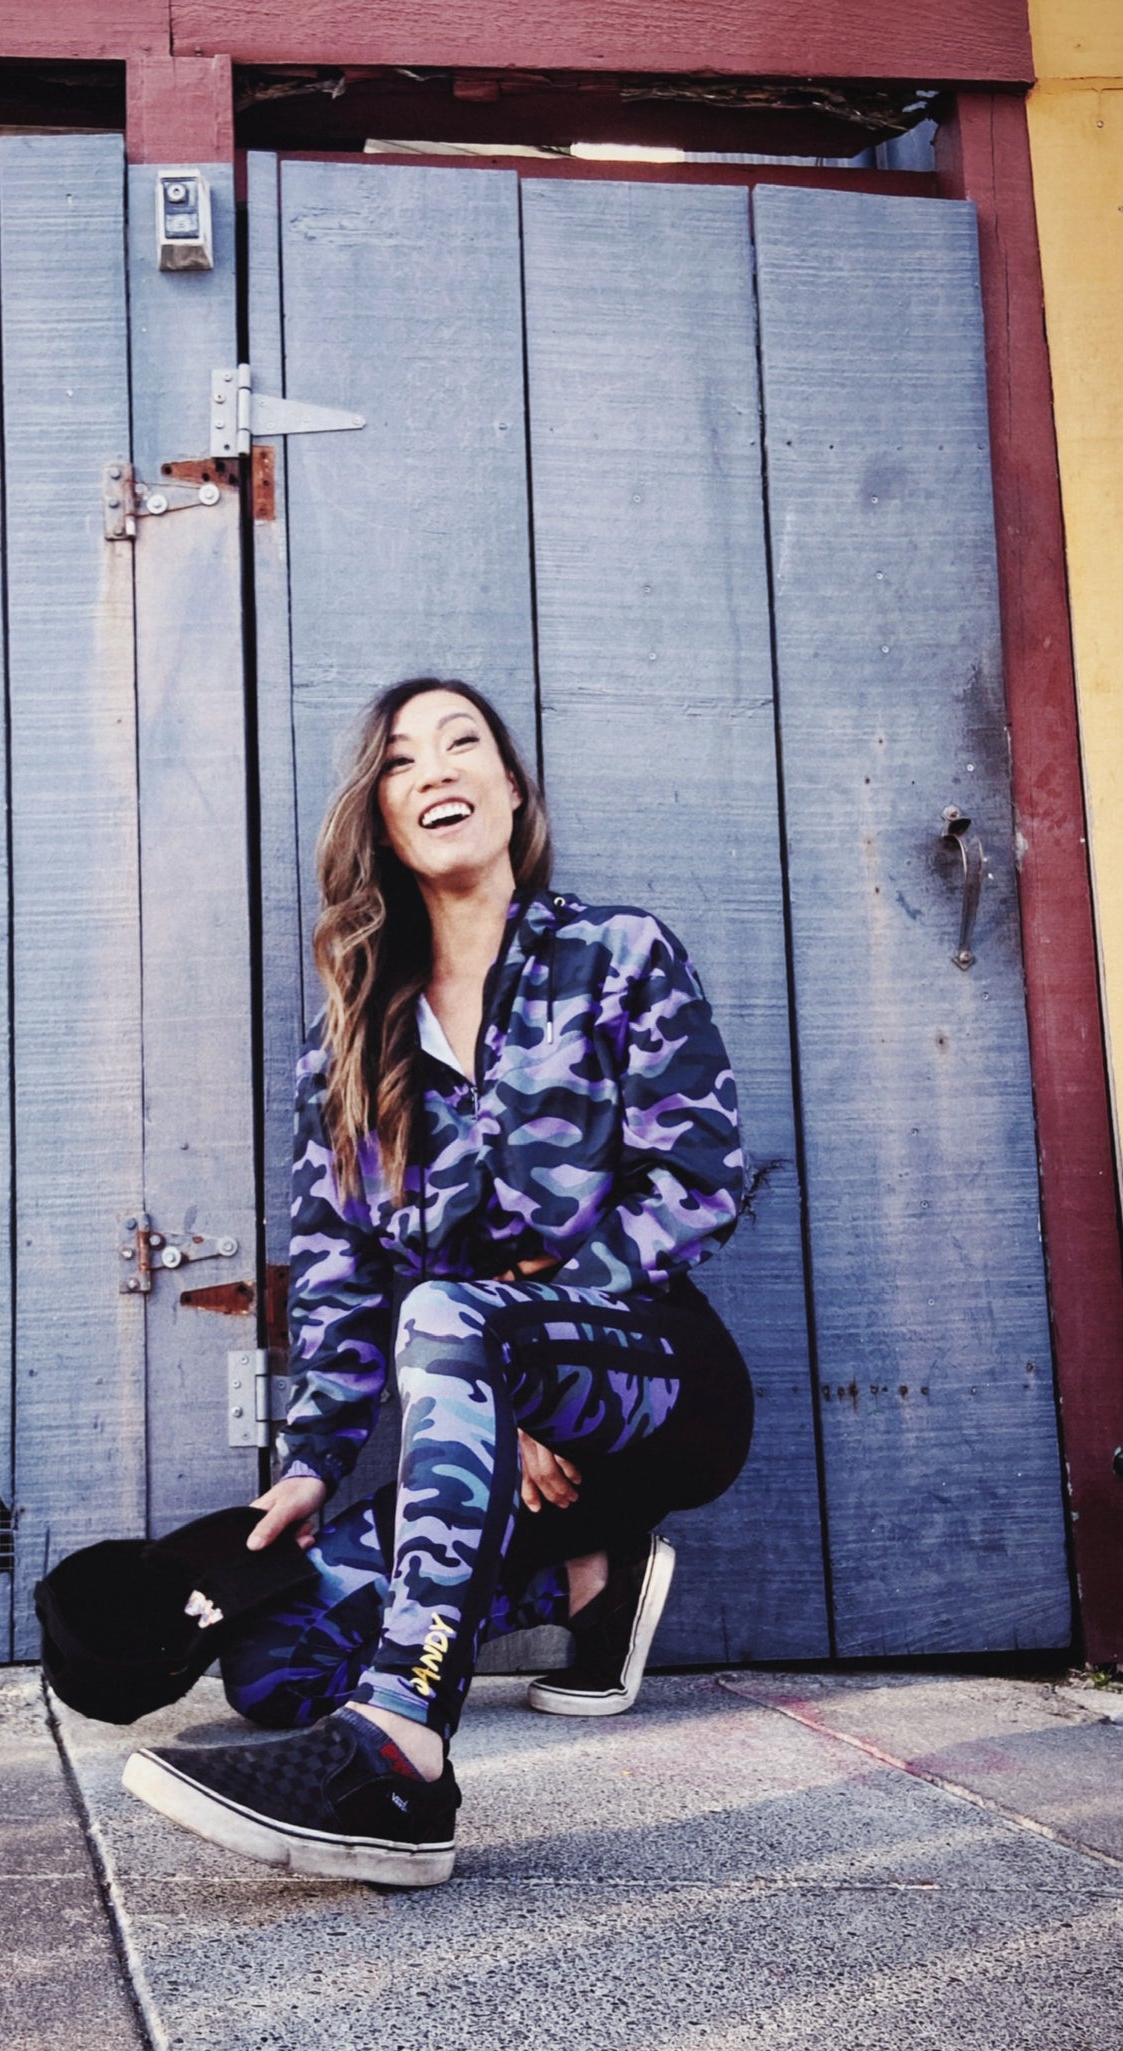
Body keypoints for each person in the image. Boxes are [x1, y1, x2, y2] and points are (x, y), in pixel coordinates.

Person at [123, 678, 753, 1886]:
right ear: (382, 815)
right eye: (403, 760)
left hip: (656, 1388)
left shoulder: (614, 955)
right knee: (273, 1668)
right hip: (486, 1425)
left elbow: (698, 1180)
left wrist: (513, 1347)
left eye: (463, 743)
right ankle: (589, 1578)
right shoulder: (348, 1044)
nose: (436, 769)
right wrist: (311, 1462)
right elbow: (336, 1273)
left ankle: (401, 1761)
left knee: (443, 1311)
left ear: (511, 791)